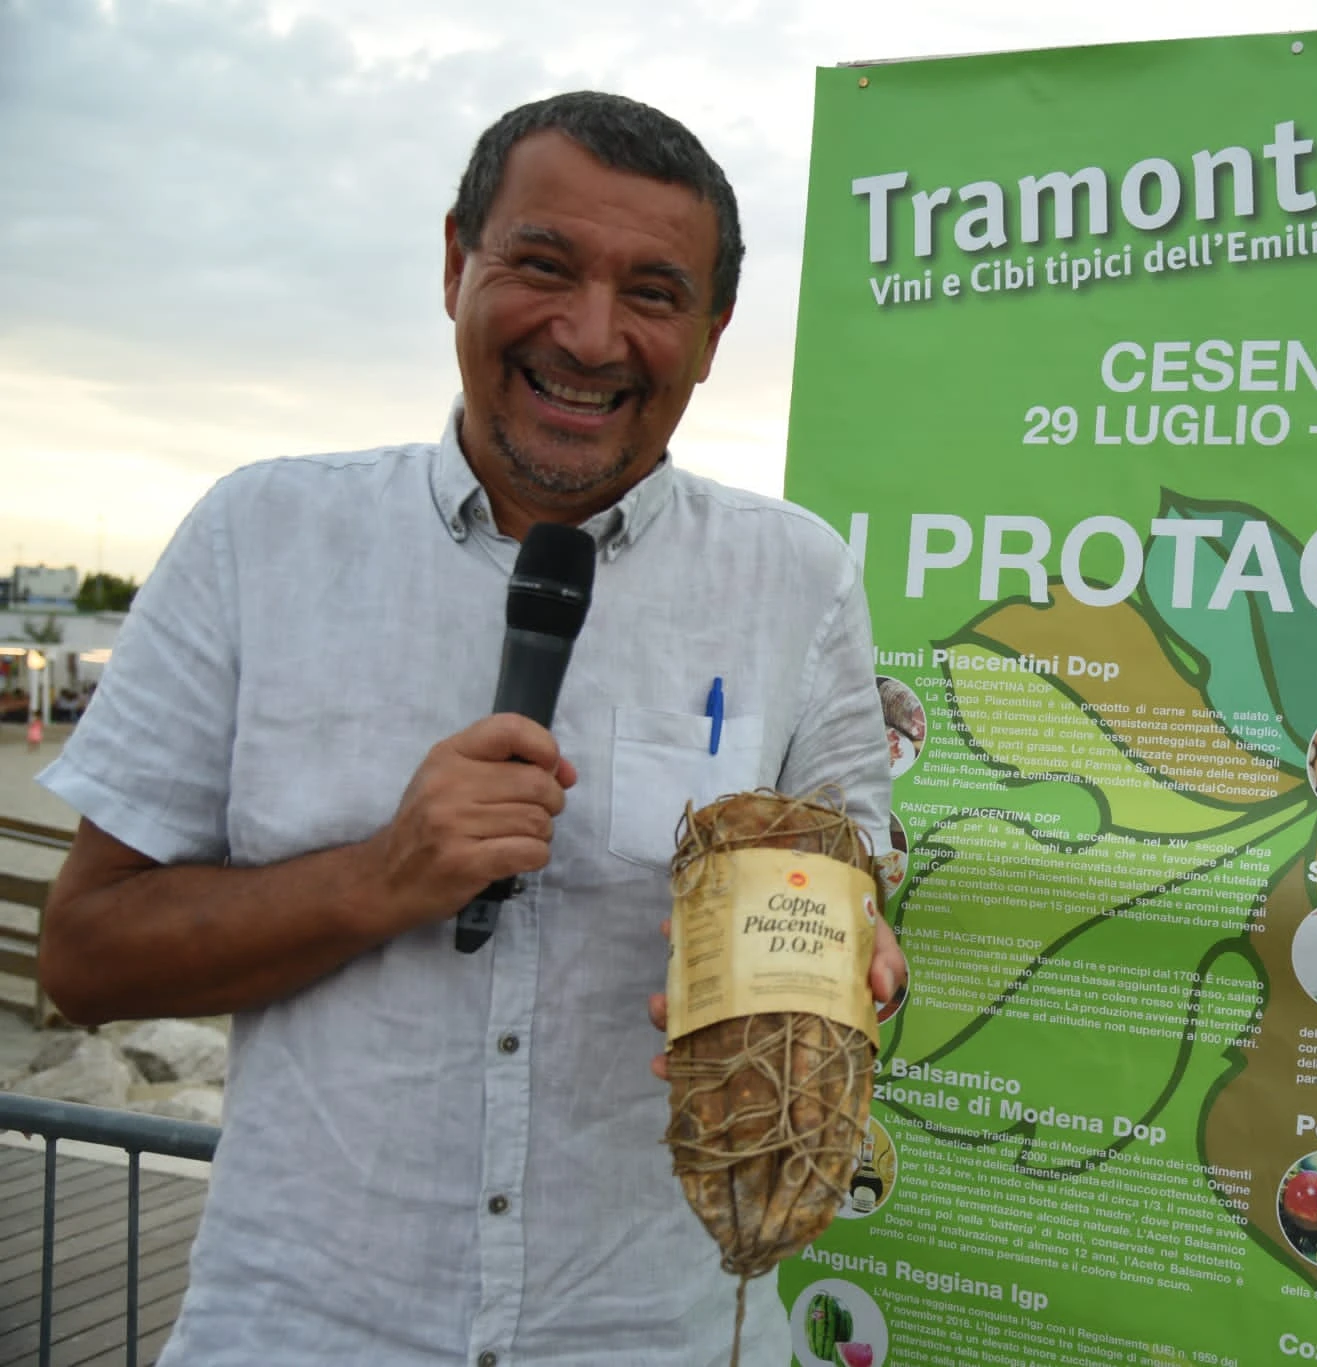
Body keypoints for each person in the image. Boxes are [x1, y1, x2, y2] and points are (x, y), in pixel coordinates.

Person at [37, 91, 903, 1366]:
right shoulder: (258, 537)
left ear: (713, 335)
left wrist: (848, 973)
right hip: (302, 1329)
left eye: (654, 293)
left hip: (651, 1335)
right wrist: (380, 875)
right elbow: (84, 957)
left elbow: (854, 900)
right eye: (542, 266)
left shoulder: (797, 577)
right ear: (456, 263)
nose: (590, 336)